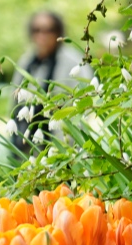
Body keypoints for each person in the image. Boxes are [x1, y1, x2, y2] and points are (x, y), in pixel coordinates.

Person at [11, 10, 85, 153]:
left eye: (48, 30)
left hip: (66, 145)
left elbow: (85, 102)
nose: (42, 36)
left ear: (58, 32)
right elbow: (15, 100)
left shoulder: (73, 61)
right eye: (36, 30)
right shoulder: (26, 62)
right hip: (29, 146)